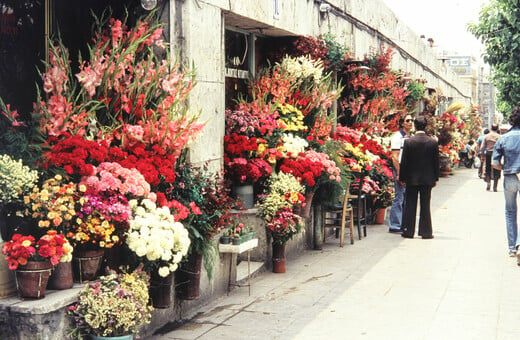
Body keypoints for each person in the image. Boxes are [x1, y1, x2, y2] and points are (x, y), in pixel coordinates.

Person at [399, 116, 439, 239]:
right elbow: (435, 162)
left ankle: (408, 230)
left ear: (415, 126)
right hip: (427, 179)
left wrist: (402, 178)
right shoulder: (432, 142)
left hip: (412, 179)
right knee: (425, 205)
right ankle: (426, 231)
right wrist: (435, 178)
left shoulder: (409, 142)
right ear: (425, 126)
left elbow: (404, 161)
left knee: (410, 204)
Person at [492, 107, 520, 259]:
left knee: (510, 212)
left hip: (509, 177)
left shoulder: (503, 138)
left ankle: (512, 248)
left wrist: (506, 168)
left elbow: (494, 163)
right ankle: (519, 244)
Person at [388, 114, 413, 233]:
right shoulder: (397, 137)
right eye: (407, 120)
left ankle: (403, 223)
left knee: (407, 197)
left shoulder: (411, 137)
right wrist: (399, 173)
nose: (410, 122)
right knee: (399, 196)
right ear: (402, 123)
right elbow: (394, 157)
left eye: (411, 120)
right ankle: (394, 225)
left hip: (409, 169)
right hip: (400, 169)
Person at [481, 124, 501, 191]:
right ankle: (495, 186)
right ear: (497, 128)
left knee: (488, 169)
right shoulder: (499, 137)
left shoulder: (487, 136)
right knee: (497, 169)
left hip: (488, 154)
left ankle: (488, 183)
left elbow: (482, 147)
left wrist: (482, 155)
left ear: (491, 128)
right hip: (496, 154)